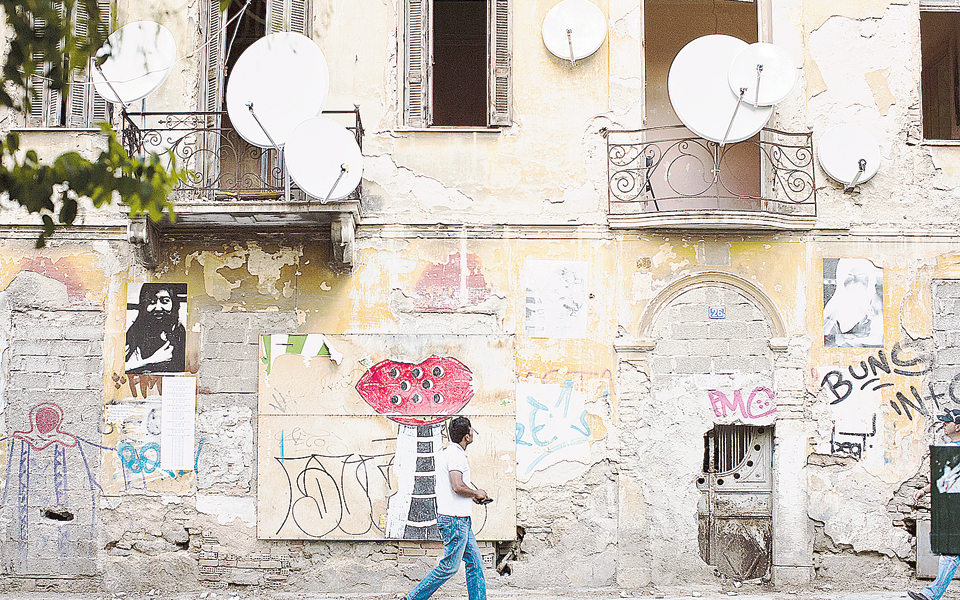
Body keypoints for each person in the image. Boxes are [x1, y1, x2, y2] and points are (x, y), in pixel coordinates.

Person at [403, 416, 489, 600]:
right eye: (471, 430)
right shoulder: (456, 455)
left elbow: (454, 489)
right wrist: (476, 492)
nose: (473, 432)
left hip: (460, 519)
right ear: (467, 436)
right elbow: (457, 486)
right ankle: (412, 598)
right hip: (455, 520)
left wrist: (471, 497)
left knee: (475, 563)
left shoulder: (448, 453)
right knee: (449, 567)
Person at [910, 409, 960, 600]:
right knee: (950, 553)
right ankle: (931, 595)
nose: (943, 425)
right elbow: (944, 480)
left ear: (957, 426)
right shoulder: (950, 448)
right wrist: (924, 490)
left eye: (946, 422)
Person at [125, 283, 186, 374]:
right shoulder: (135, 331)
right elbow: (116, 367)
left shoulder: (180, 332)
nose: (158, 308)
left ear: (174, 304)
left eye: (165, 301)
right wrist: (151, 360)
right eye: (151, 302)